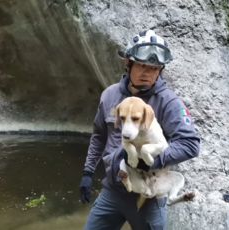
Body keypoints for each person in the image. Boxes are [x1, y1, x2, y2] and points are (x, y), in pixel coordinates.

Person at [79, 29, 201, 230]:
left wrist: (151, 162)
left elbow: (190, 144)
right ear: (128, 63)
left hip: (150, 195)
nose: (147, 73)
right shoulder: (109, 96)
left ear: (160, 70)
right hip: (113, 190)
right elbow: (99, 136)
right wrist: (87, 172)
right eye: (142, 66)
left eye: (154, 68)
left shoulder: (168, 102)